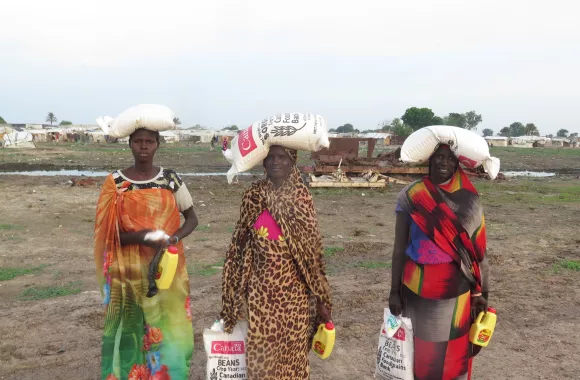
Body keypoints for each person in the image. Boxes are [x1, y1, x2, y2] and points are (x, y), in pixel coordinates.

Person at [220, 145, 332, 380]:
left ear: (293, 161)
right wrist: (233, 293)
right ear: (262, 162)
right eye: (270, 157)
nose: (275, 162)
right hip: (260, 294)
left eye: (282, 157)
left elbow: (312, 255)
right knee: (262, 359)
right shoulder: (253, 195)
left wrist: (322, 297)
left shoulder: (301, 197)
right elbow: (239, 245)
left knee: (293, 358)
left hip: (295, 295)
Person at [94, 128, 198, 380]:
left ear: (157, 145)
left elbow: (192, 219)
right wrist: (140, 237)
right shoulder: (116, 183)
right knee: (132, 326)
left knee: (170, 326)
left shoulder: (170, 179)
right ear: (129, 144)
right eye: (138, 141)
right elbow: (108, 234)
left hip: (166, 269)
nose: (143, 146)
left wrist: (174, 238)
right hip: (128, 271)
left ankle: (168, 373)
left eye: (149, 142)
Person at [389, 144, 490, 380]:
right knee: (420, 355)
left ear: (457, 164)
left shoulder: (470, 201)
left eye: (449, 159)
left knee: (453, 356)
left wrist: (482, 292)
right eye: (438, 157)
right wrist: (394, 290)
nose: (443, 163)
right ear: (429, 160)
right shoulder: (412, 195)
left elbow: (479, 253)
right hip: (416, 290)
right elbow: (398, 249)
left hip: (458, 293)